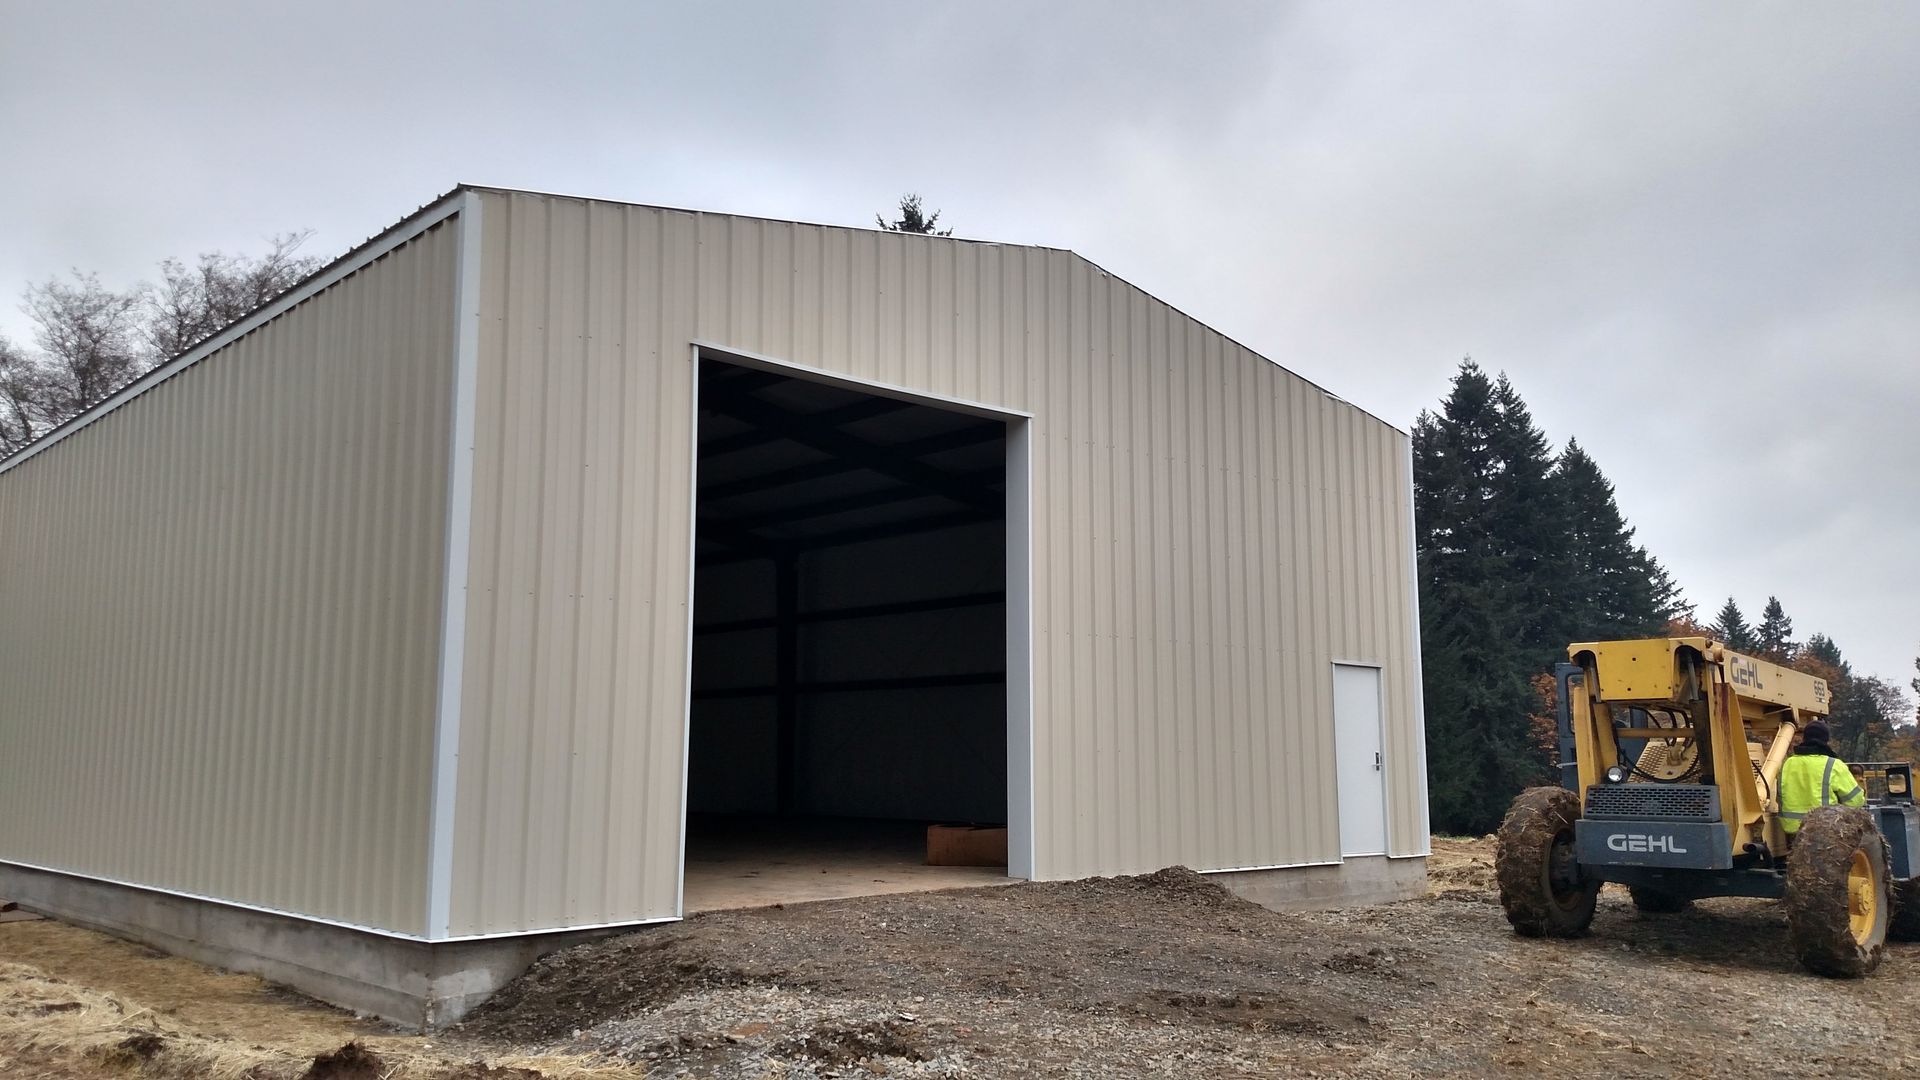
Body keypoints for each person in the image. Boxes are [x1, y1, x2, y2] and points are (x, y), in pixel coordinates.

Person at [1778, 720, 1866, 837]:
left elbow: (1779, 796)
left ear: (1804, 739)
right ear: (1826, 740)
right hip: (1825, 834)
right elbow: (1856, 801)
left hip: (1792, 832)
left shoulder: (1788, 763)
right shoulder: (1833, 765)